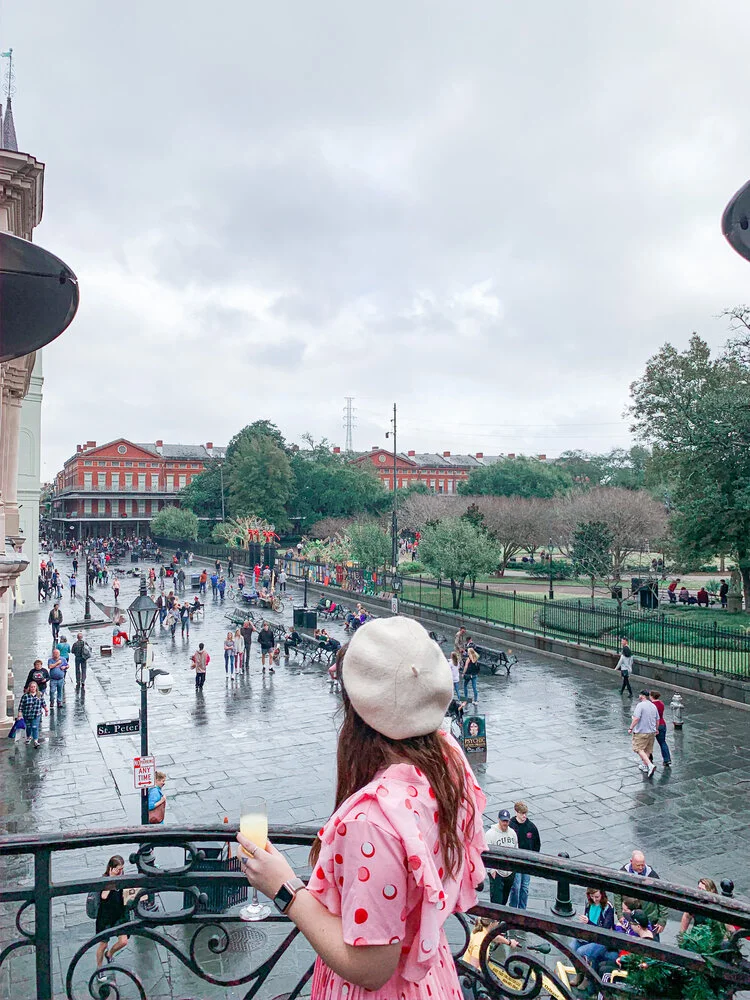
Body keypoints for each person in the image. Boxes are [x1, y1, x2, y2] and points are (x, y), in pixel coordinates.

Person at [236, 616, 486, 1000]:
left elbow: (371, 968)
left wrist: (283, 888)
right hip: (430, 980)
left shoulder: (372, 821)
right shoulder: (449, 757)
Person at [613, 851, 667, 939]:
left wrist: (662, 920)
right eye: (638, 865)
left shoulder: (652, 876)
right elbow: (617, 895)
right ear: (631, 862)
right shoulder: (623, 874)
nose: (641, 867)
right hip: (630, 917)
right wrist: (620, 914)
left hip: (649, 917)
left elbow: (661, 897)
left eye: (643, 864)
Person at [94, 855, 130, 980]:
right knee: (103, 944)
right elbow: (103, 896)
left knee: (123, 941)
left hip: (119, 914)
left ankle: (109, 954)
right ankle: (99, 969)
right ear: (111, 868)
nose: (120, 872)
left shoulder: (121, 876)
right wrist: (112, 879)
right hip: (106, 917)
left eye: (122, 869)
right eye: (117, 870)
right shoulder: (105, 880)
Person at [570, 887, 616, 970]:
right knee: (572, 947)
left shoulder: (608, 908)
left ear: (602, 895)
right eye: (592, 896)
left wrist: (588, 922)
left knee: (581, 952)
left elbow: (605, 930)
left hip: (601, 939)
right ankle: (579, 973)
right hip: (588, 935)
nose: (594, 899)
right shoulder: (588, 903)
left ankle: (586, 974)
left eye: (597, 897)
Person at [508, 802, 541, 910]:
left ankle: (522, 909)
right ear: (516, 812)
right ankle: (513, 908)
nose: (524, 816)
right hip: (516, 861)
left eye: (525, 813)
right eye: (522, 814)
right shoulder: (511, 826)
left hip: (527, 862)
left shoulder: (531, 827)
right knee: (516, 887)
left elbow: (537, 844)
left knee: (525, 887)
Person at [485, 809, 518, 905]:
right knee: (496, 901)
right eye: (503, 821)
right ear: (498, 820)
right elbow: (486, 853)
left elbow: (516, 849)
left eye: (507, 821)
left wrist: (514, 869)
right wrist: (491, 870)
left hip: (509, 872)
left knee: (504, 900)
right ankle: (495, 920)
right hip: (497, 873)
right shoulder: (490, 834)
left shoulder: (512, 833)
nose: (505, 823)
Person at [628, 690, 658, 777]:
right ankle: (645, 766)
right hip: (651, 732)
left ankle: (649, 765)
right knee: (647, 750)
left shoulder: (640, 705)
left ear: (642, 696)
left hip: (642, 731)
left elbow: (636, 718)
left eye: (640, 695)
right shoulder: (653, 706)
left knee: (638, 749)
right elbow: (657, 719)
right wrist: (656, 729)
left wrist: (631, 728)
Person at [18, 680, 47, 748]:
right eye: (31, 687)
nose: (33, 688)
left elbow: (43, 703)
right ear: (29, 688)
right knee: (28, 727)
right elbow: (21, 705)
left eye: (34, 687)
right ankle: (28, 737)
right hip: (27, 714)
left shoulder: (39, 695)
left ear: (36, 688)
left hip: (36, 714)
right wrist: (20, 713)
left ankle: (36, 740)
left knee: (35, 727)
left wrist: (46, 710)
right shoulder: (25, 696)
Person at [649, 690, 672, 767]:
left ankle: (649, 759)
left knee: (649, 743)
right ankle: (667, 759)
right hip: (662, 724)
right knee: (662, 742)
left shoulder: (651, 705)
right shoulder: (661, 703)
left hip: (653, 725)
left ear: (652, 696)